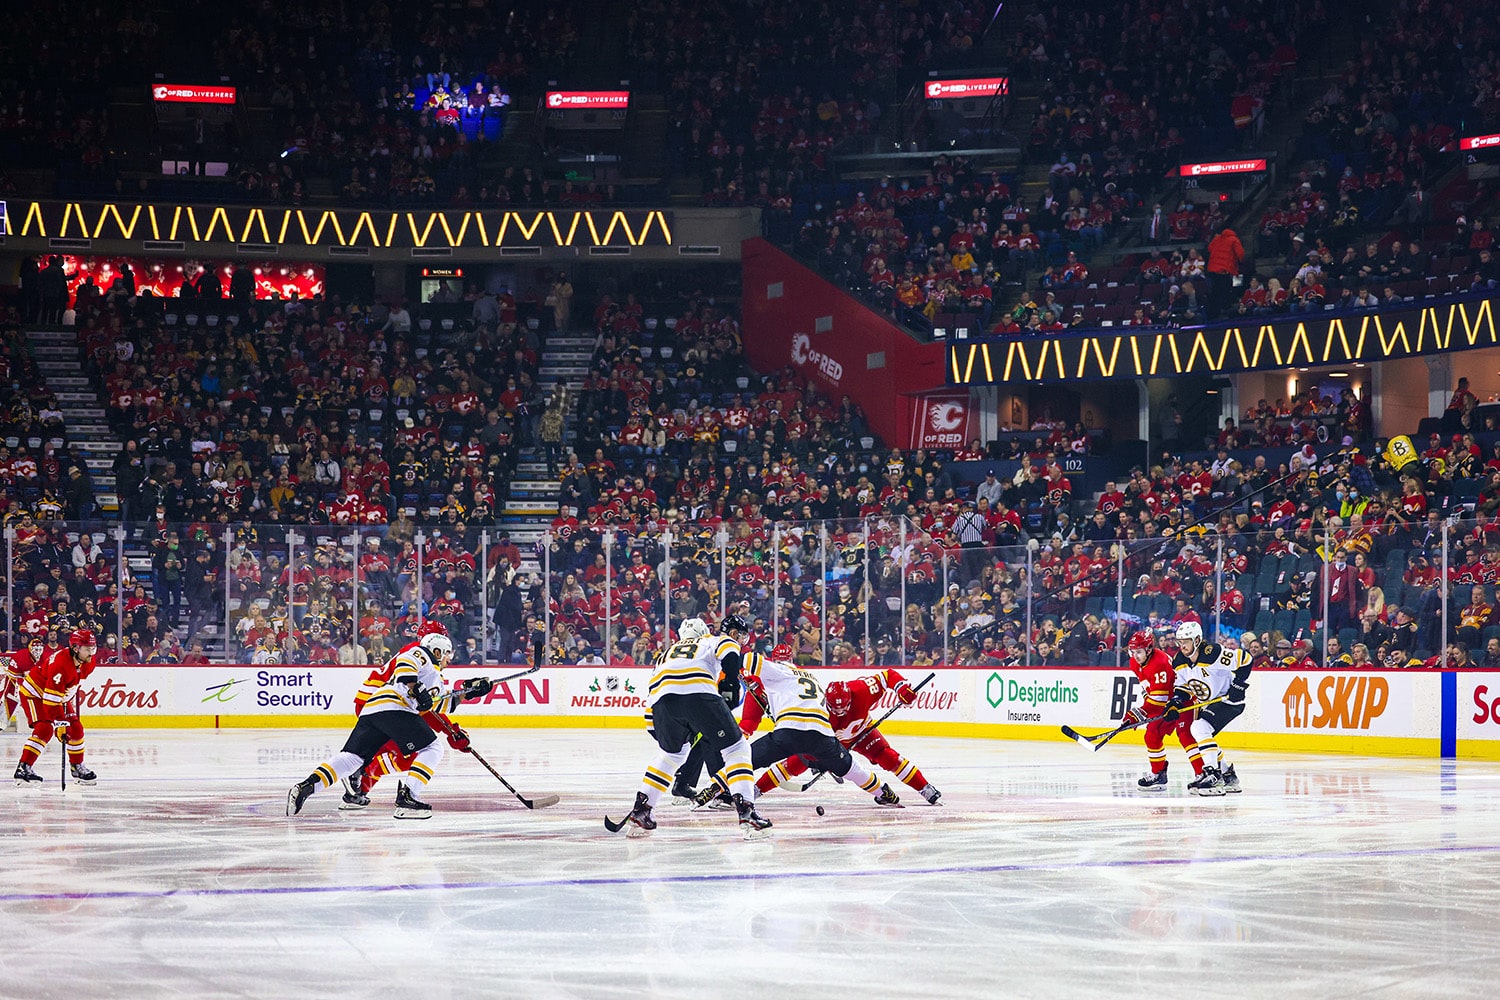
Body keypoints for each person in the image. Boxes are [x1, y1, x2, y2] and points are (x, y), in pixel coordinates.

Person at [287, 625, 487, 818]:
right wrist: (414, 687)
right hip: (394, 706)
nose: (449, 658)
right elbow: (406, 664)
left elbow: (440, 704)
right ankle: (408, 797)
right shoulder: (421, 653)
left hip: (373, 708)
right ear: (437, 650)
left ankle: (307, 786)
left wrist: (468, 692)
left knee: (352, 757)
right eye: (447, 653)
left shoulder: (435, 677)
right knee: (432, 749)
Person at [611, 615, 771, 840]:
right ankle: (747, 813)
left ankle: (642, 811)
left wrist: (665, 733)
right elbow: (731, 653)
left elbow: (652, 698)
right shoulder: (711, 640)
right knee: (737, 750)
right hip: (699, 694)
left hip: (662, 704)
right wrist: (730, 683)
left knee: (671, 754)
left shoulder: (665, 654)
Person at [719, 648, 897, 808]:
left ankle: (726, 790)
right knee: (851, 768)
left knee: (748, 758)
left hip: (791, 729)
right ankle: (883, 791)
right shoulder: (806, 676)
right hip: (820, 733)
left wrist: (731, 664)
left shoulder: (776, 672)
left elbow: (750, 661)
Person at [754, 664, 940, 805]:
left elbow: (887, 675)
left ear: (850, 698)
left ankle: (924, 788)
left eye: (844, 707)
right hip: (830, 742)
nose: (840, 712)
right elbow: (811, 745)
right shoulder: (819, 712)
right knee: (796, 761)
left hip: (864, 732)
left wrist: (900, 687)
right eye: (835, 708)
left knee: (889, 758)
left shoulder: (861, 690)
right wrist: (819, 761)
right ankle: (756, 789)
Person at [1170, 622, 1252, 794]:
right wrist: (1176, 701)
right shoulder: (1179, 661)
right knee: (1204, 735)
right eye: (1180, 641)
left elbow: (1246, 660)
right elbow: (1183, 687)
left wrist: (1237, 686)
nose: (1182, 645)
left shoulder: (1212, 653)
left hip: (1230, 701)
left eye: (1186, 641)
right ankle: (1228, 776)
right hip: (1210, 702)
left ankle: (1213, 774)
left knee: (1199, 727)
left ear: (1197, 640)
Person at [13, 629, 99, 786]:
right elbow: (50, 700)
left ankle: (77, 767)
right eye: (88, 648)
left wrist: (65, 718)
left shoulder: (88, 662)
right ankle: (23, 768)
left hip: (57, 696)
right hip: (34, 692)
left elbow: (71, 684)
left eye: (93, 648)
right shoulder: (60, 665)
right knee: (45, 728)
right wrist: (60, 722)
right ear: (75, 648)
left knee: (76, 728)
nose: (91, 653)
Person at [1121, 629, 1180, 791]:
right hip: (1165, 703)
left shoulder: (1159, 662)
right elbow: (1148, 687)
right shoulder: (1135, 662)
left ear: (1149, 649)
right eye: (1132, 652)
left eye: (1139, 652)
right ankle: (1159, 773)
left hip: (1177, 703)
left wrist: (1136, 715)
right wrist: (1138, 714)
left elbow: (1160, 699)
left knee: (1193, 737)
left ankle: (1218, 770)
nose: (1135, 656)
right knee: (1152, 735)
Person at [2, 635, 50, 732]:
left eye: (40, 649)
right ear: (29, 648)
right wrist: (20, 687)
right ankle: (1, 723)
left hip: (38, 686)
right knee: (10, 699)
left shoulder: (47, 658)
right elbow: (13, 676)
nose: (37, 652)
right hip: (17, 683)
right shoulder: (20, 657)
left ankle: (45, 723)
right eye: (35, 649)